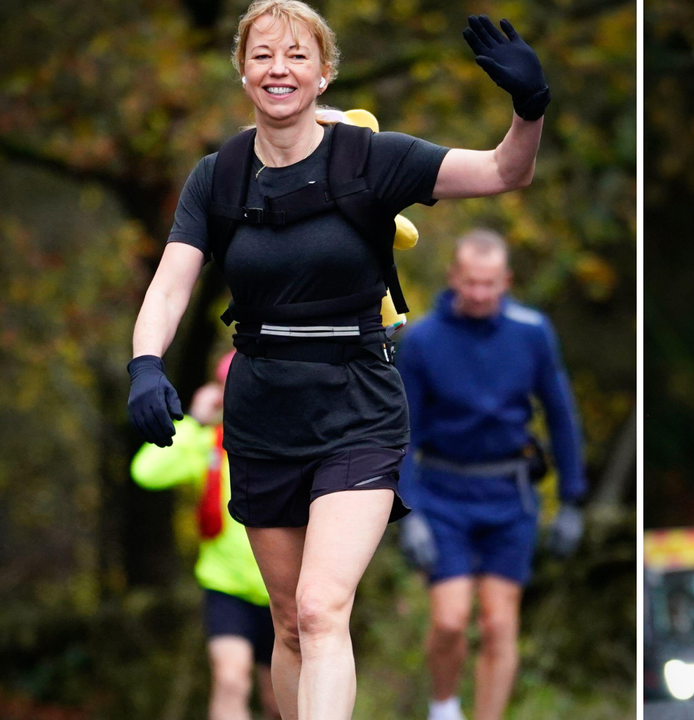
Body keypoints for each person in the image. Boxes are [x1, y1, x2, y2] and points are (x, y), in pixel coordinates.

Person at [124, 1, 548, 718]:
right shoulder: (218, 176)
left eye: (296, 55)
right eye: (262, 55)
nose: (278, 69)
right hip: (262, 410)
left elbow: (505, 172)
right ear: (243, 72)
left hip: (357, 404)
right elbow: (171, 283)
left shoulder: (371, 159)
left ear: (324, 74)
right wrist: (145, 363)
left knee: (323, 608)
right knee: (289, 620)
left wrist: (529, 108)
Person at [395, 229, 587, 720]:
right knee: (451, 620)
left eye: (490, 283)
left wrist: (571, 501)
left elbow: (561, 416)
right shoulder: (421, 341)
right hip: (442, 494)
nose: (479, 293)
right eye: (470, 282)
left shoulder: (532, 332)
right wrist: (408, 511)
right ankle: (443, 708)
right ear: (453, 277)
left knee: (501, 624)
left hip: (510, 493)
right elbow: (403, 434)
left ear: (506, 280)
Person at [131, 351, 281, 720]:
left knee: (279, 700)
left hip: (282, 588)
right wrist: (194, 421)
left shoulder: (288, 441)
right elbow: (147, 472)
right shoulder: (208, 443)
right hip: (227, 588)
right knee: (231, 680)